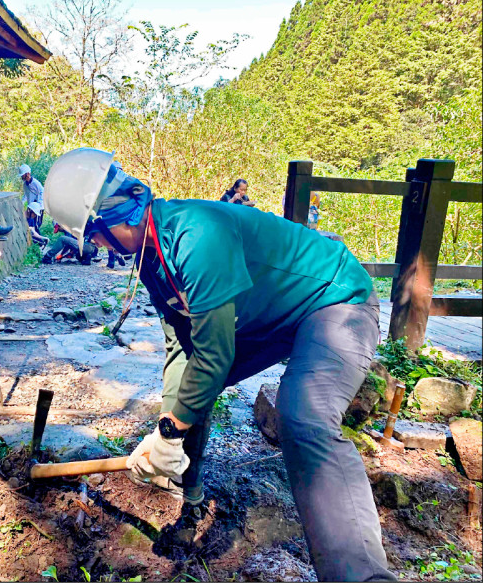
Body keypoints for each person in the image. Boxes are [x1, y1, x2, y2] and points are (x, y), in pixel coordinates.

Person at [44, 148, 395, 583]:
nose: (95, 246)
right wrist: (166, 432)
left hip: (334, 300)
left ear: (117, 221)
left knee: (304, 414)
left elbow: (214, 356)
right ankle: (191, 508)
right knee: (192, 392)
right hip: (267, 315)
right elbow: (184, 351)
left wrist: (170, 432)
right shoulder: (152, 258)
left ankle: (360, 575)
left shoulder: (195, 236)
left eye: (94, 236)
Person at [19, 164, 44, 229]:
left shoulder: (36, 183)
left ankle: (39, 238)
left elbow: (42, 192)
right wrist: (21, 203)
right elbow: (26, 195)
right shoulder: (25, 185)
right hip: (31, 207)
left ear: (27, 174)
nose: (22, 177)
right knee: (30, 224)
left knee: (37, 225)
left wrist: (39, 204)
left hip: (38, 208)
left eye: (22, 175)